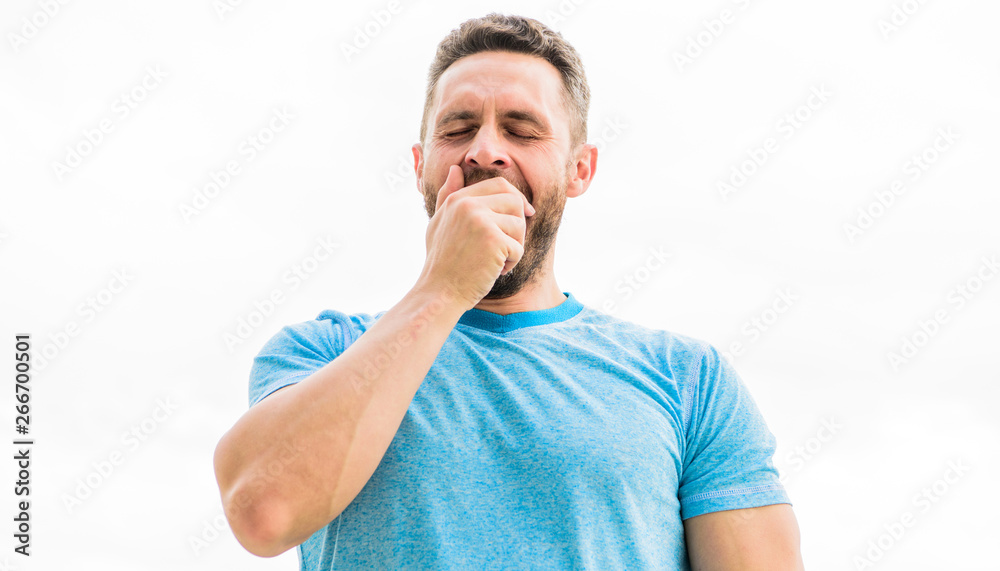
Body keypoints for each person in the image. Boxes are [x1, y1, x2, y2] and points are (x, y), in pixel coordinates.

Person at [213, 13, 804, 570]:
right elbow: (262, 512)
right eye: (457, 128)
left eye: (522, 130)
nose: (485, 151)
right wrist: (442, 288)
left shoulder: (690, 380)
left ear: (581, 170)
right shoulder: (323, 353)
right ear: (421, 163)